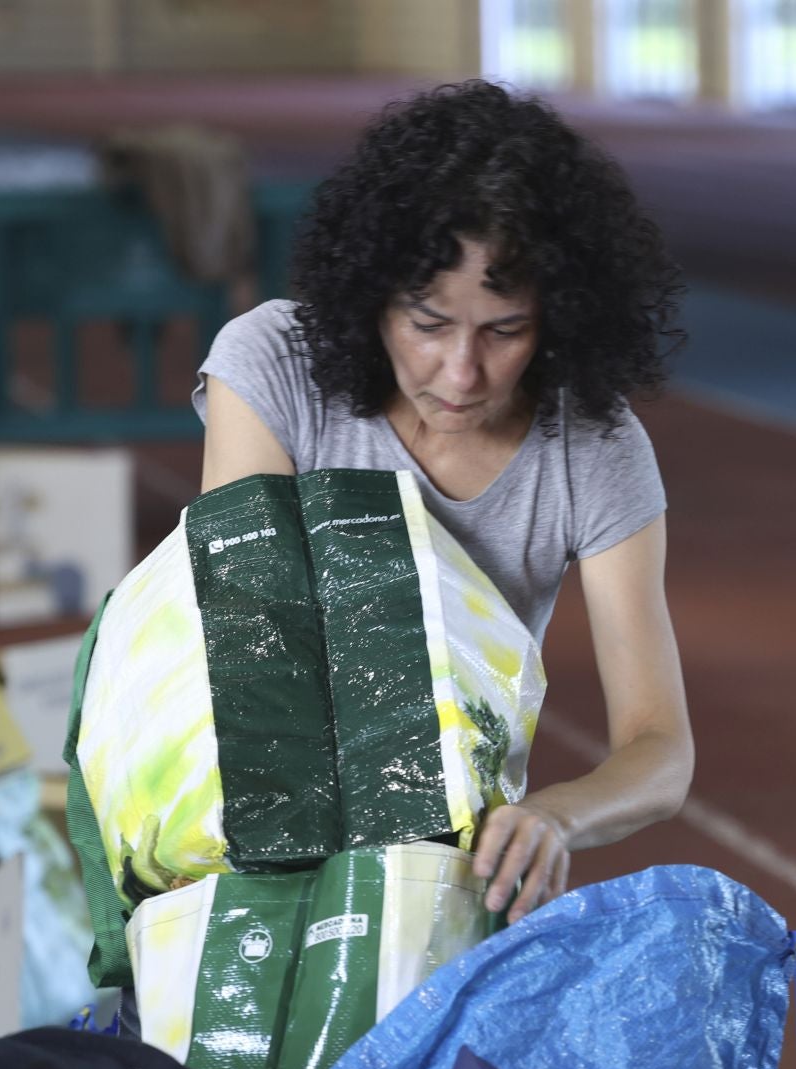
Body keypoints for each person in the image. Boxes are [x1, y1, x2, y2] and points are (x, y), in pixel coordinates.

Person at [196, 82, 692, 925]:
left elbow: (661, 749)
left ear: (560, 321)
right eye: (427, 323)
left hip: (448, 876)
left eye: (503, 331)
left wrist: (552, 815)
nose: (461, 373)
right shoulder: (272, 365)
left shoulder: (596, 449)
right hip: (241, 825)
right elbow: (247, 642)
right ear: (369, 297)